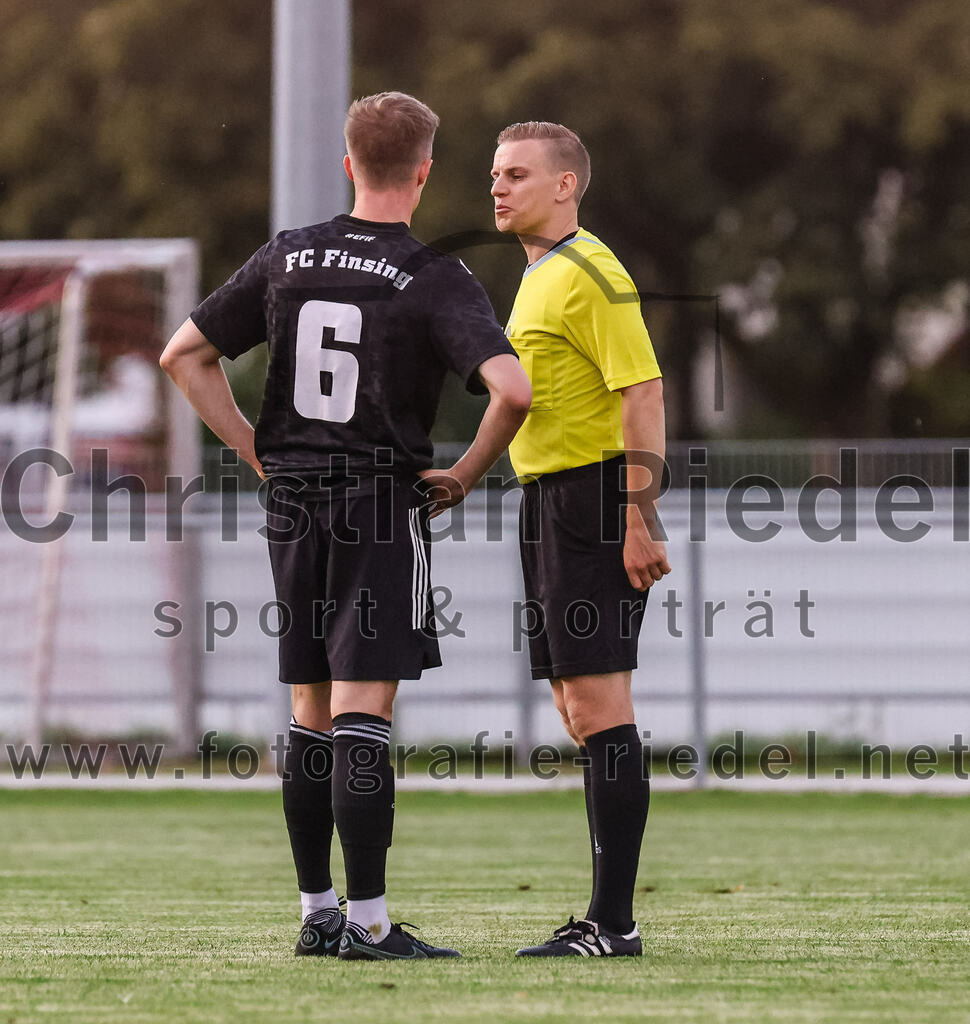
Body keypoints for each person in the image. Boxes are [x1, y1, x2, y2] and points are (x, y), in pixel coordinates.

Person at [160, 92, 531, 961]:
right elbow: (512, 389)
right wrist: (468, 474)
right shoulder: (436, 272)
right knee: (366, 708)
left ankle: (316, 911)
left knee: (308, 708)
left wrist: (258, 450)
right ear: (427, 171)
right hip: (375, 497)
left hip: (291, 499)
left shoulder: (287, 256)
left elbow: (184, 353)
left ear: (347, 161)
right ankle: (369, 924)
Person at [490, 121, 670, 957]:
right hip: (551, 500)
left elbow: (643, 392)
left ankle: (613, 924)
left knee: (600, 707)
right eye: (496, 173)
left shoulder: (591, 271)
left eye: (518, 173)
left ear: (566, 185)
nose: (498, 186)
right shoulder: (539, 277)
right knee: (576, 706)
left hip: (596, 499)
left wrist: (638, 515)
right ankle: (608, 915)